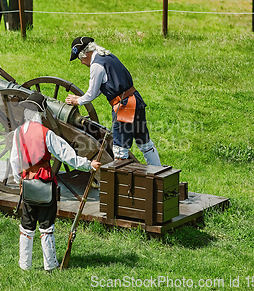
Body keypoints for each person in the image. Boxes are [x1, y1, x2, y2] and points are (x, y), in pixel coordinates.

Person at [10, 92, 101, 271]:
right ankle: (50, 264)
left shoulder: (17, 133)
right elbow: (67, 155)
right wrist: (88, 165)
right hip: (44, 184)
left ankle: (24, 264)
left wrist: (19, 181)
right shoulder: (47, 134)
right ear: (42, 113)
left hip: (27, 184)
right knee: (46, 226)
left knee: (27, 226)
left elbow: (14, 161)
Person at [65, 36, 161, 166]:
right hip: (135, 101)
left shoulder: (96, 65)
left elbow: (92, 93)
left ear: (86, 54)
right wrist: (80, 99)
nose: (81, 62)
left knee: (120, 149)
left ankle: (122, 183)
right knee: (145, 143)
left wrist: (78, 101)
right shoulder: (108, 56)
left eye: (80, 58)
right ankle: (158, 172)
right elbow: (102, 86)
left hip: (125, 106)